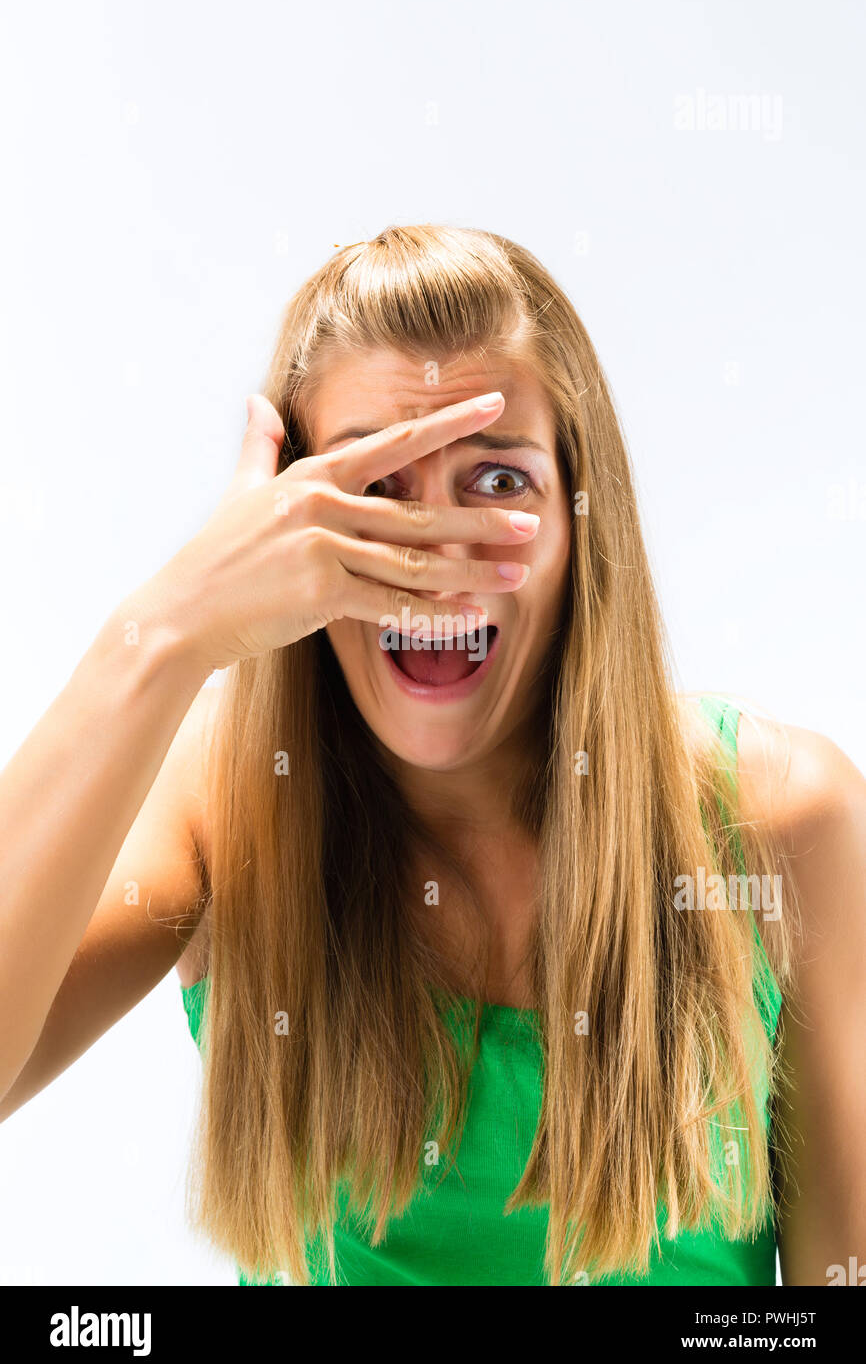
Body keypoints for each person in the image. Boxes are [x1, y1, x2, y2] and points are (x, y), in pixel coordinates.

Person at [1, 225, 864, 1286]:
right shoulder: (228, 796)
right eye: (374, 491)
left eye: (496, 482)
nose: (435, 555)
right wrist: (166, 630)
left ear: (579, 525)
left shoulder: (777, 819)